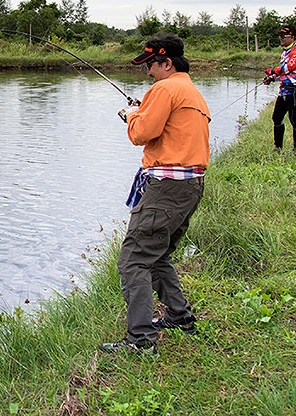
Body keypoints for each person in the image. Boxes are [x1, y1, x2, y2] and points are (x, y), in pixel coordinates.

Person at [100, 35, 211, 354]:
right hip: (189, 188)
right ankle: (179, 317)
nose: (147, 71)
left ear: (168, 63)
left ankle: (141, 340)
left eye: (151, 64)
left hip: (166, 189)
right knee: (157, 254)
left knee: (133, 260)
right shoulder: (191, 91)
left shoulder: (164, 89)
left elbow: (141, 134)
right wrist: (142, 109)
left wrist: (131, 115)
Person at [263, 25, 296, 154]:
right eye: (280, 36)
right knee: (276, 117)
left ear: (292, 37)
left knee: (294, 119)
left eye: (283, 36)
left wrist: (273, 70)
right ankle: (278, 147)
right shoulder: (284, 53)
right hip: (283, 90)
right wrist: (271, 77)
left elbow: (288, 69)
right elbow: (282, 74)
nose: (281, 38)